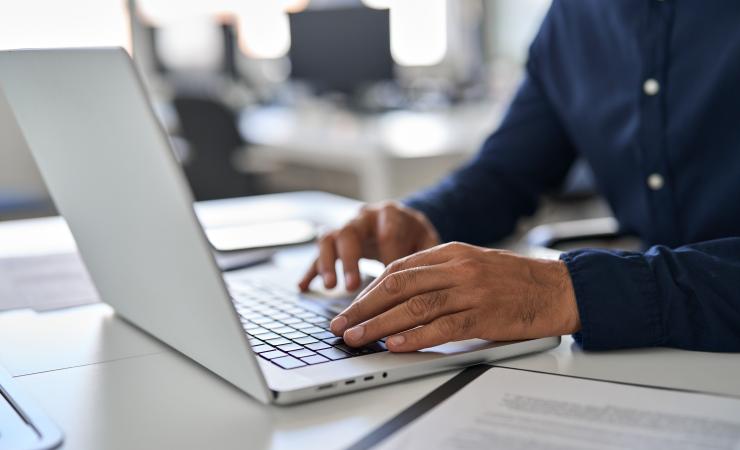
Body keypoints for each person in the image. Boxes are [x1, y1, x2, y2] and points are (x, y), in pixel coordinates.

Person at [299, 1, 740, 353]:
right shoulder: (572, 18)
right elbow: (507, 172)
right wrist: (422, 218)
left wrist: (567, 291)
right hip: (660, 360)